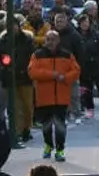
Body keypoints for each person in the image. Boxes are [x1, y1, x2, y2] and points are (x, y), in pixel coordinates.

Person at [27, 30, 80, 162]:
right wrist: (53, 75)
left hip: (61, 97)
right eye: (48, 39)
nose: (50, 42)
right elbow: (33, 72)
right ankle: (48, 145)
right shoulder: (37, 55)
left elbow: (76, 71)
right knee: (47, 125)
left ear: (58, 41)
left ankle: (60, 149)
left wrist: (65, 78)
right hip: (44, 97)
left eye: (53, 39)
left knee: (60, 125)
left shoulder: (67, 55)